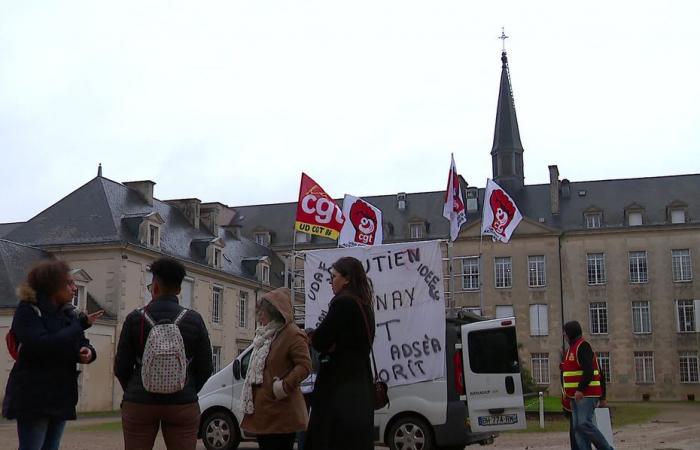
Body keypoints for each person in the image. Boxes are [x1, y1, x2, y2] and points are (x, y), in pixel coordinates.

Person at [2, 259, 102, 450]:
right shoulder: (29, 311)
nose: (74, 288)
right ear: (51, 285)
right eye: (69, 283)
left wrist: (87, 352)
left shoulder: (68, 314)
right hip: (34, 396)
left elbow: (81, 342)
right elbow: (42, 344)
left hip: (60, 394)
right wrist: (80, 325)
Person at [114, 257, 213, 450]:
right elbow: (206, 367)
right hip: (182, 402)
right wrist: (188, 387)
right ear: (179, 289)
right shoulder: (194, 320)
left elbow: (121, 367)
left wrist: (136, 387)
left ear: (155, 287)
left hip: (140, 402)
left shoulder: (135, 318)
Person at [306, 256, 375, 450]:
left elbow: (320, 340)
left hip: (339, 386)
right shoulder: (365, 305)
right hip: (361, 383)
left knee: (331, 438)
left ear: (347, 279)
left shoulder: (342, 303)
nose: (331, 281)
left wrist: (316, 337)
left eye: (334, 276)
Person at [240, 288, 311, 450]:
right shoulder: (265, 335)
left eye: (262, 312)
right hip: (265, 412)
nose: (259, 317)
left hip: (281, 412)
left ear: (274, 312)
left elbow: (305, 365)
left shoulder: (292, 334)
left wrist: (284, 386)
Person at [561, 320, 614, 450]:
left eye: (565, 333)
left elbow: (591, 371)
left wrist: (580, 389)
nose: (564, 335)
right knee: (577, 428)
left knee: (583, 423)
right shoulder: (570, 350)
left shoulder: (583, 346)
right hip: (574, 397)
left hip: (586, 394)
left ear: (571, 333)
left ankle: (606, 448)